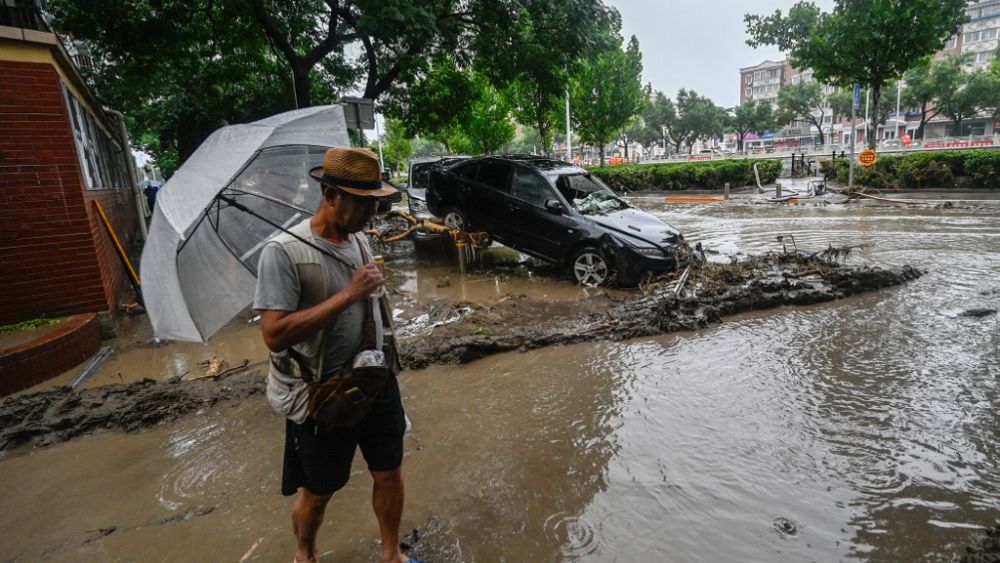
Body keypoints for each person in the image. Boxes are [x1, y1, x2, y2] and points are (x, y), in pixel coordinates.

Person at [254, 147, 416, 563]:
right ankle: (304, 554)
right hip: (321, 392)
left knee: (390, 471)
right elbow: (273, 334)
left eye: (376, 203)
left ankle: (391, 554)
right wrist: (349, 294)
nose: (373, 214)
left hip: (373, 380)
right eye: (364, 204)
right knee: (320, 489)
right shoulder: (283, 251)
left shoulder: (359, 238)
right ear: (330, 196)